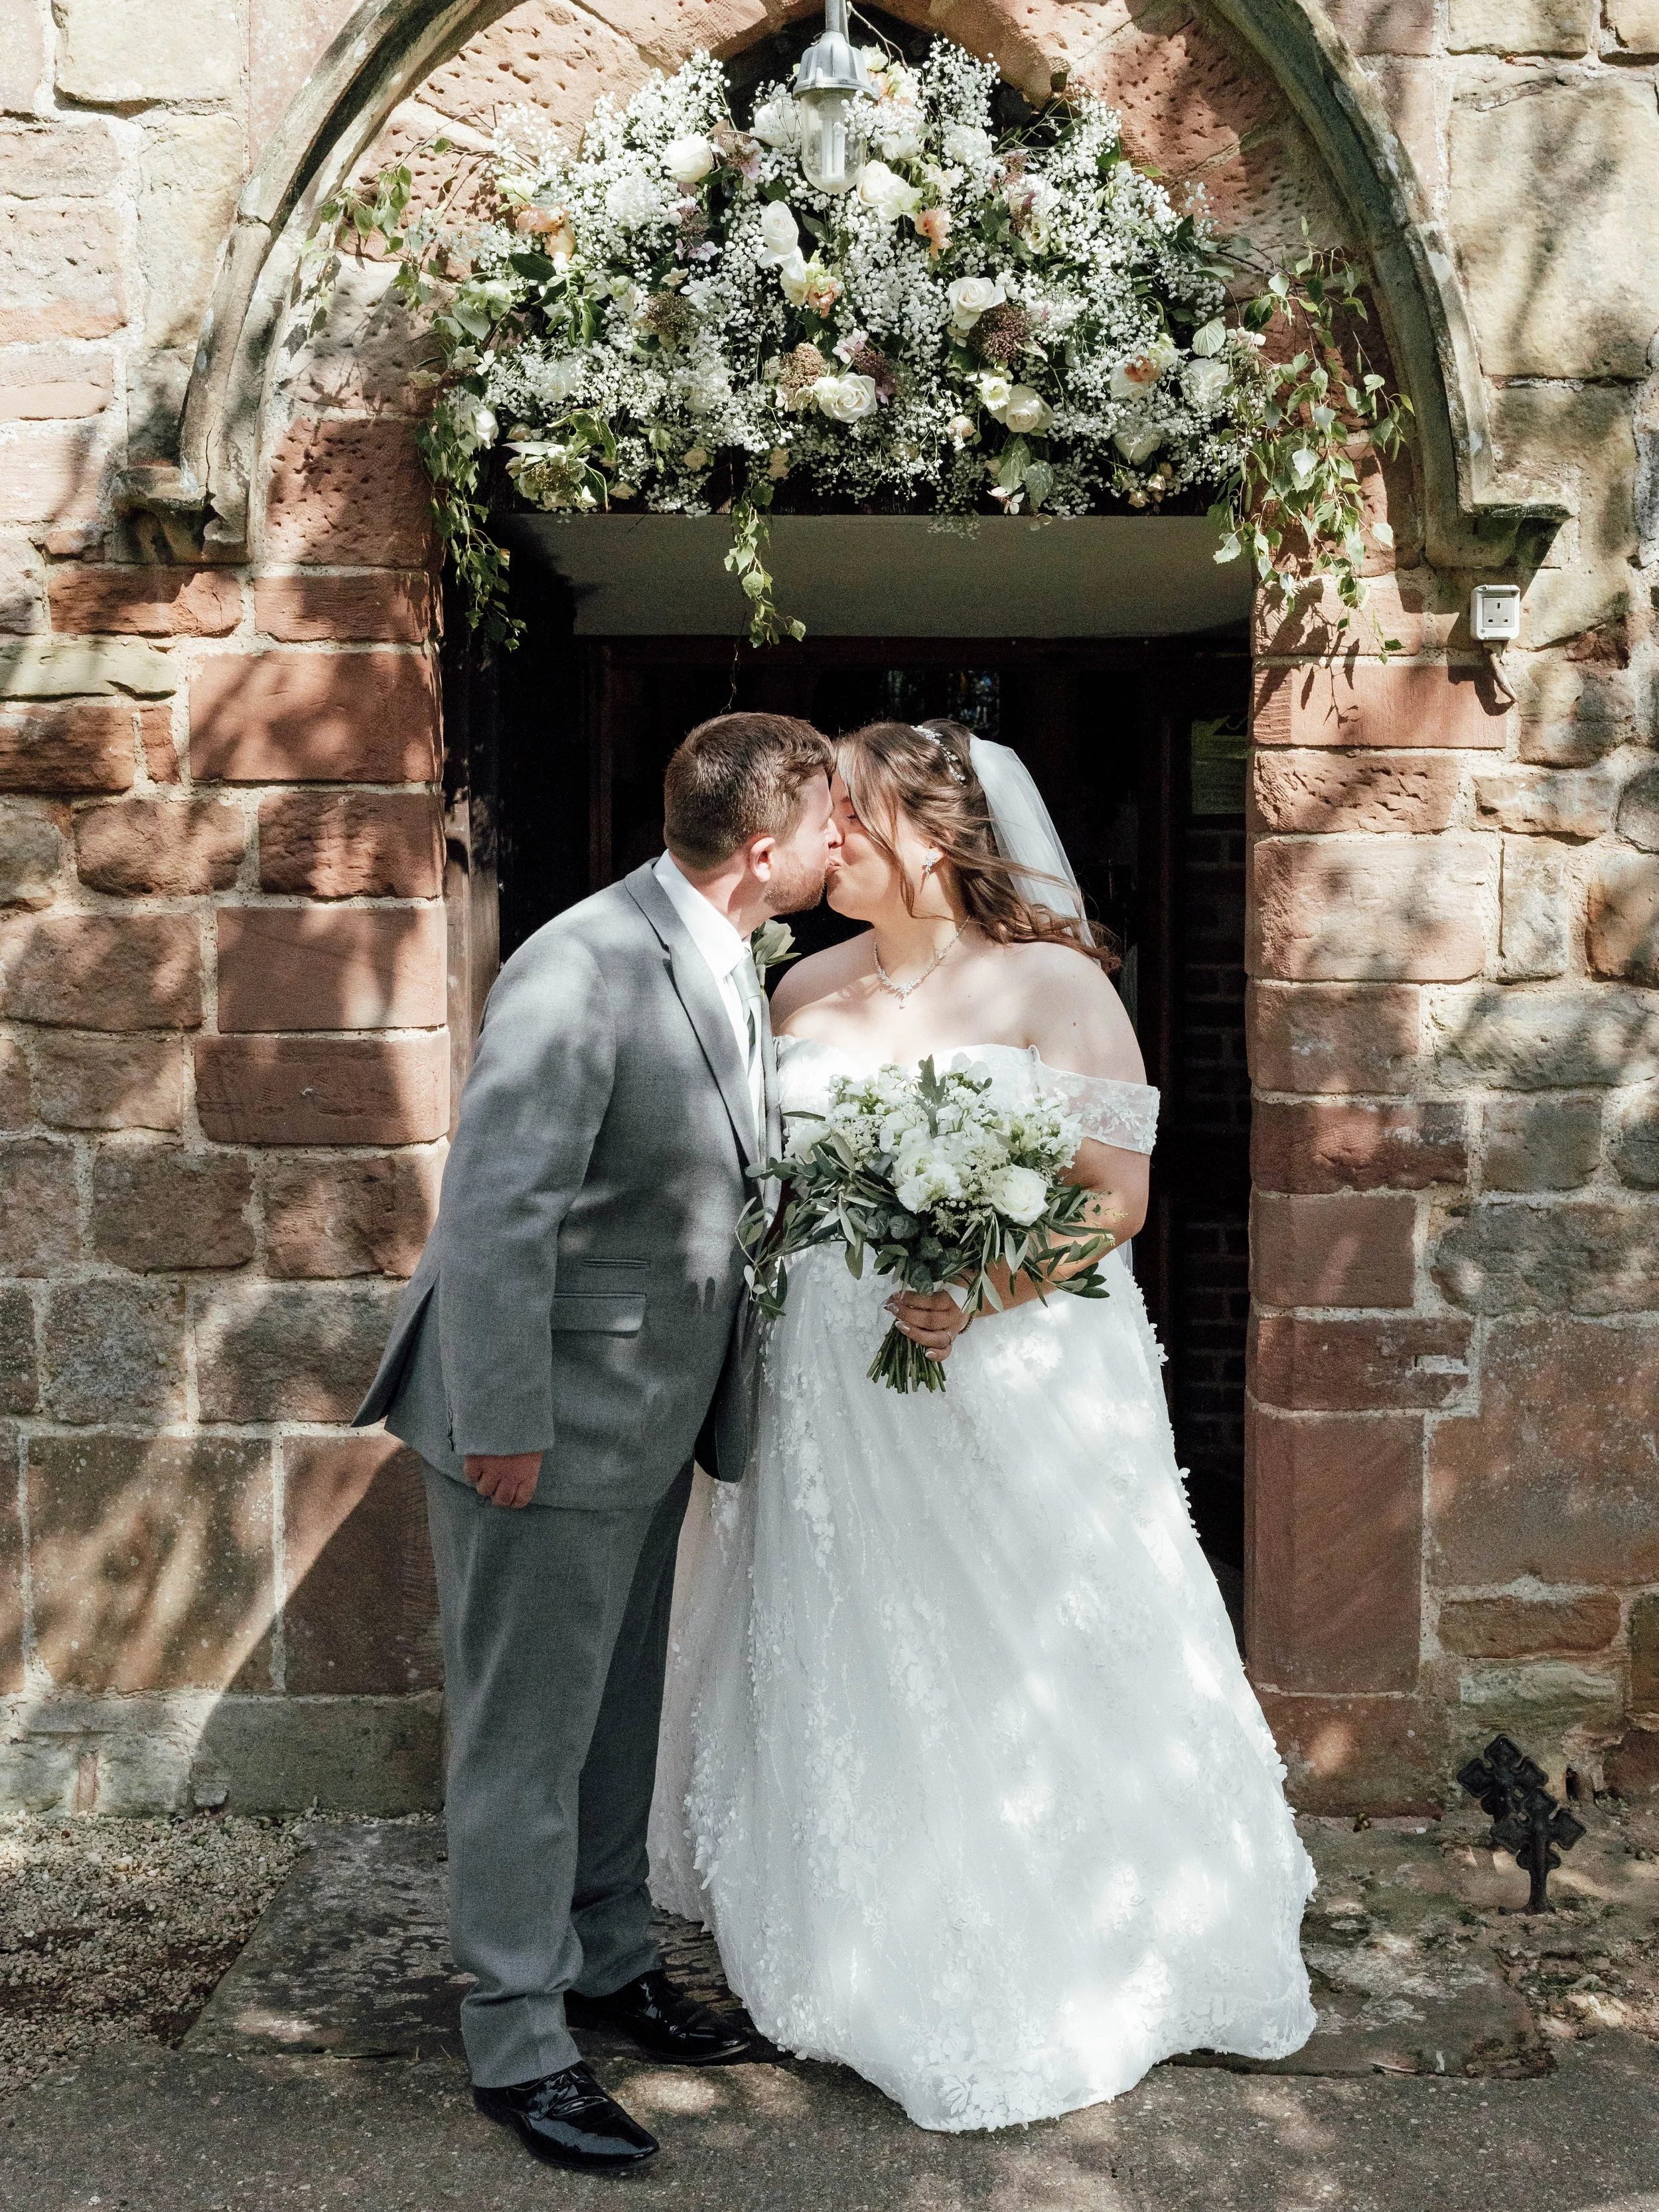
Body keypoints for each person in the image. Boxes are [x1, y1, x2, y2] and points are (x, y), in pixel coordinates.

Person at [650, 719, 1317, 2132]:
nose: (826, 828)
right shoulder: (797, 983)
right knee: (850, 1626)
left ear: (928, 835)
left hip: (1010, 1373)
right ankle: (861, 1910)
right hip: (829, 1385)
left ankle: (1080, 1910)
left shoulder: (1053, 986)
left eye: (849, 806)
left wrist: (982, 1280)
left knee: (1021, 1628)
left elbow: (1114, 1198)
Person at [354, 713, 841, 2175]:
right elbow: (496, 1207)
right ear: (767, 849)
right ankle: (515, 2038)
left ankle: (608, 1961)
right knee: (525, 1736)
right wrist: (500, 1418)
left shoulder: (728, 952)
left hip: (643, 1415)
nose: (841, 845)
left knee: (615, 1709)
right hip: (543, 1421)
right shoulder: (578, 962)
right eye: (827, 824)